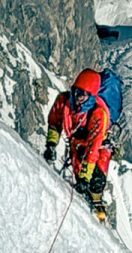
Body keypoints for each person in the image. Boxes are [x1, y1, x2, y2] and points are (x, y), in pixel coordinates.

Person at [43, 69, 114, 221]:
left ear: (91, 96)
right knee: (80, 175)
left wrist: (85, 177)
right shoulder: (63, 101)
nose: (79, 97)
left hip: (98, 149)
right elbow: (55, 123)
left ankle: (96, 200)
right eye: (77, 92)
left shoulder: (97, 114)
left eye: (83, 94)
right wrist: (51, 144)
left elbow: (93, 148)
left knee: (96, 180)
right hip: (77, 147)